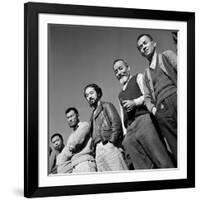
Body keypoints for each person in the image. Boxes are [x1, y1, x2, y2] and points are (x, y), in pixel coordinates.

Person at [113, 59, 175, 169]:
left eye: (121, 68)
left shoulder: (138, 77)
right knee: (141, 166)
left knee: (159, 156)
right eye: (116, 71)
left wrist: (134, 103)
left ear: (128, 68)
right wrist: (125, 133)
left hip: (143, 119)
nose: (119, 73)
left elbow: (147, 95)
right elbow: (122, 114)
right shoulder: (120, 95)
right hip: (130, 129)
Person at [137, 33, 177, 164]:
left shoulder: (167, 55)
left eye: (145, 43)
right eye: (140, 47)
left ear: (154, 43)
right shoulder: (146, 74)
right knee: (177, 147)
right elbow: (147, 98)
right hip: (161, 110)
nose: (143, 47)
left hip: (176, 98)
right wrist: (155, 111)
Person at [84, 83, 128, 172]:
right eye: (87, 95)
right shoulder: (91, 116)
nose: (89, 97)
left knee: (120, 175)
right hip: (98, 151)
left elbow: (116, 124)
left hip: (108, 145)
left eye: (91, 93)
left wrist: (112, 142)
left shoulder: (106, 105)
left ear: (98, 93)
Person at [56, 107, 96, 173]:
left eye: (71, 116)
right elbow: (64, 153)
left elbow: (73, 144)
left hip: (85, 163)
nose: (70, 119)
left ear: (78, 116)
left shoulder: (84, 125)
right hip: (75, 166)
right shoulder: (71, 135)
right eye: (68, 118)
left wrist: (62, 157)